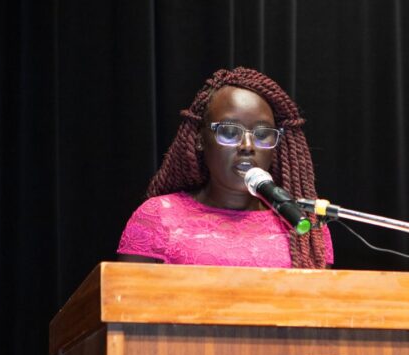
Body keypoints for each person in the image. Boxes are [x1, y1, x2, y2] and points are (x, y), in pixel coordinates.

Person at [117, 67, 332, 269]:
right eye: (229, 132)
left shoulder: (304, 226)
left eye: (262, 134)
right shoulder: (157, 217)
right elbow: (124, 294)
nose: (247, 146)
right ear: (200, 139)